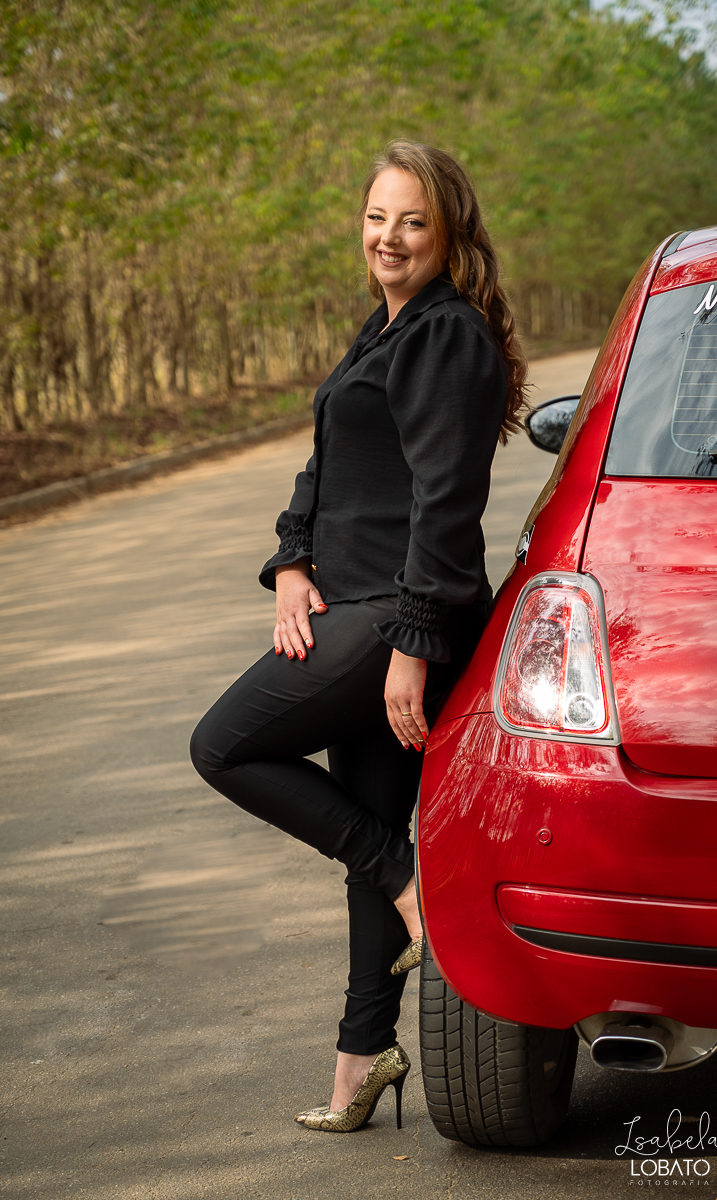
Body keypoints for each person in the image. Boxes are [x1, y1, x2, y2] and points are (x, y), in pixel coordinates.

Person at [190, 140, 527, 1133]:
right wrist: (291, 559)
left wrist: (411, 646)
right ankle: (360, 1061)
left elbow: (444, 502)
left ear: (449, 233)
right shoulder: (382, 330)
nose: (389, 237)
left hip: (396, 610)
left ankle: (410, 880)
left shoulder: (446, 337)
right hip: (355, 602)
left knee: (224, 745)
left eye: (413, 222)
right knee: (364, 831)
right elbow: (322, 465)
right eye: (378, 217)